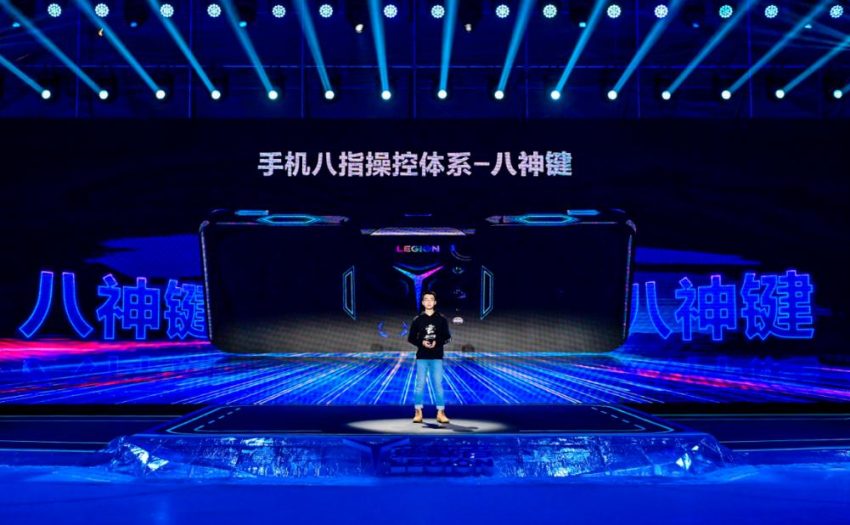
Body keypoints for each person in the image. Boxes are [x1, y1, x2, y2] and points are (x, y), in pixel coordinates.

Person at [407, 290, 451, 424]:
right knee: (420, 384)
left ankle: (441, 412)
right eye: (426, 299)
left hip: (437, 356)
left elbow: (447, 337)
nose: (429, 302)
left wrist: (437, 342)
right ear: (422, 302)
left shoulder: (442, 319)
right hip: (422, 356)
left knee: (438, 384)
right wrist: (422, 342)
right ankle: (418, 412)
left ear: (435, 302)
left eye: (431, 299)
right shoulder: (417, 320)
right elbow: (411, 338)